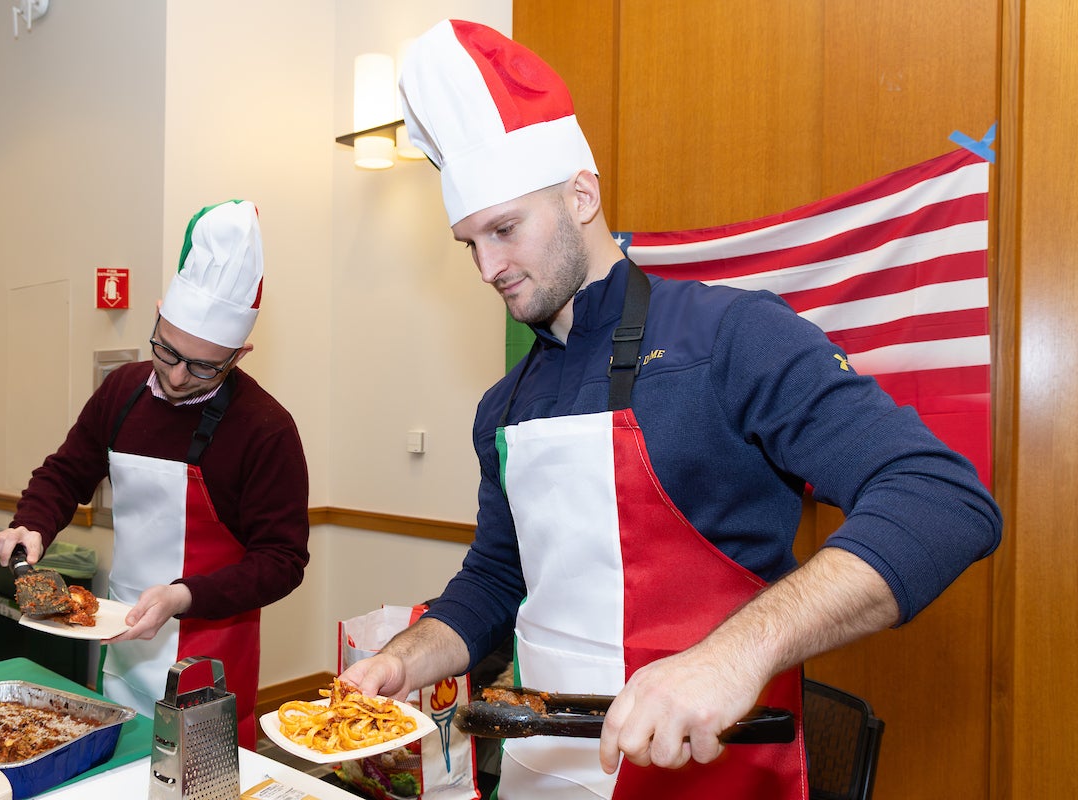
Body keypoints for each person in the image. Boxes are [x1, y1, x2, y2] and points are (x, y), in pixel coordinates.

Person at [338, 20, 1002, 799]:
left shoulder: (729, 336)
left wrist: (732, 656)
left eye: (505, 230)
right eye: (469, 243)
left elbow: (944, 500)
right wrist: (408, 656)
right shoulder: (503, 406)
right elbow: (497, 577)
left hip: (706, 777)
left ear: (581, 194)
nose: (488, 267)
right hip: (541, 777)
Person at [0, 199, 310, 749]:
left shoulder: (266, 428)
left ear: (241, 353)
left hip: (212, 652)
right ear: (159, 314)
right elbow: (67, 473)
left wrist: (182, 596)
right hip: (122, 638)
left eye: (205, 366)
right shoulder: (123, 391)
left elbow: (282, 561)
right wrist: (32, 526)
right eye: (167, 349)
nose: (179, 376)